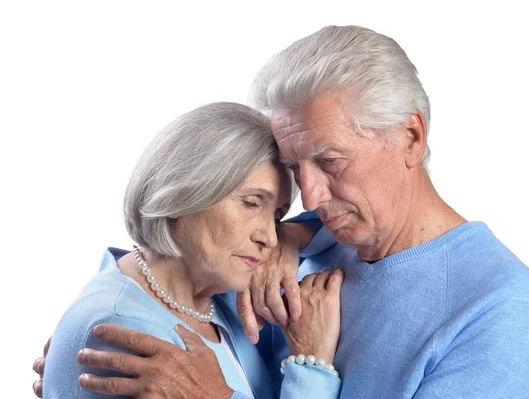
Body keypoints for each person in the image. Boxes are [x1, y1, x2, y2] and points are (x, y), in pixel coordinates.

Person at [34, 25, 529, 398]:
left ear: (410, 137)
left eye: (329, 161)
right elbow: (177, 272)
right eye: (296, 168)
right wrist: (98, 330)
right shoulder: (300, 242)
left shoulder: (498, 303)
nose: (312, 196)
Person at [38, 102, 344, 399]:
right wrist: (310, 365)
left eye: (276, 216)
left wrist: (291, 236)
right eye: (251, 204)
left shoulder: (217, 295)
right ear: (183, 191)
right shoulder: (127, 336)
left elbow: (352, 217)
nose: (269, 237)